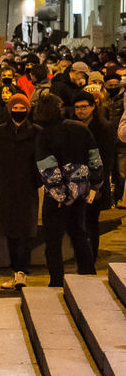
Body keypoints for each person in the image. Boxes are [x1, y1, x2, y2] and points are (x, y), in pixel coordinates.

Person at [33, 92, 101, 286]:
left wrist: (62, 196)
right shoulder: (79, 129)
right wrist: (91, 186)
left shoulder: (43, 136)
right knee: (79, 234)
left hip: (56, 199)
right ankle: (88, 274)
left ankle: (56, 281)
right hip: (80, 193)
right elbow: (95, 160)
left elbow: (48, 170)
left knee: (53, 241)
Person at [0, 93, 41, 290]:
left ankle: (21, 272)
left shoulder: (36, 132)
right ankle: (15, 271)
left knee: (26, 232)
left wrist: (37, 180)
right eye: (15, 109)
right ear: (9, 110)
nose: (19, 112)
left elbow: (44, 159)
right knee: (10, 232)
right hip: (6, 189)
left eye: (22, 109)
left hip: (27, 189)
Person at [72, 89, 114, 262]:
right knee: (78, 220)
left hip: (95, 182)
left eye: (84, 107)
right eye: (77, 107)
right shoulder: (72, 125)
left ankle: (91, 255)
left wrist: (100, 182)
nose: (80, 110)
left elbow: (107, 157)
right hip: (76, 180)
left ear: (93, 107)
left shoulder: (103, 127)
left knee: (91, 220)